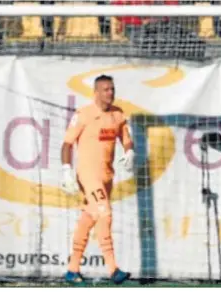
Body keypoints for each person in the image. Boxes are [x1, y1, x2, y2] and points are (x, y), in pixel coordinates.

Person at [60, 74, 135, 285]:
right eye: (105, 89)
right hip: (88, 175)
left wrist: (130, 152)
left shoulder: (118, 115)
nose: (110, 93)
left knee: (89, 218)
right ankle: (113, 269)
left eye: (112, 89)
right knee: (105, 213)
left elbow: (127, 140)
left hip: (107, 176)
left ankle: (72, 270)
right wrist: (66, 169)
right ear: (96, 92)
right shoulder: (83, 114)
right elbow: (67, 144)